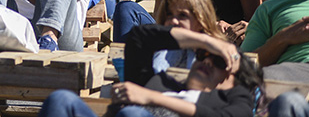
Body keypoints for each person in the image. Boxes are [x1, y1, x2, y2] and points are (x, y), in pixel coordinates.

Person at [40, 24, 258, 117]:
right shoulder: (160, 82)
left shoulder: (232, 98)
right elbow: (139, 38)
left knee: (132, 113)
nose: (207, 62)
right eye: (203, 55)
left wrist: (151, 98)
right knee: (61, 99)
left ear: (234, 79)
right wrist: (205, 41)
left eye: (220, 62)